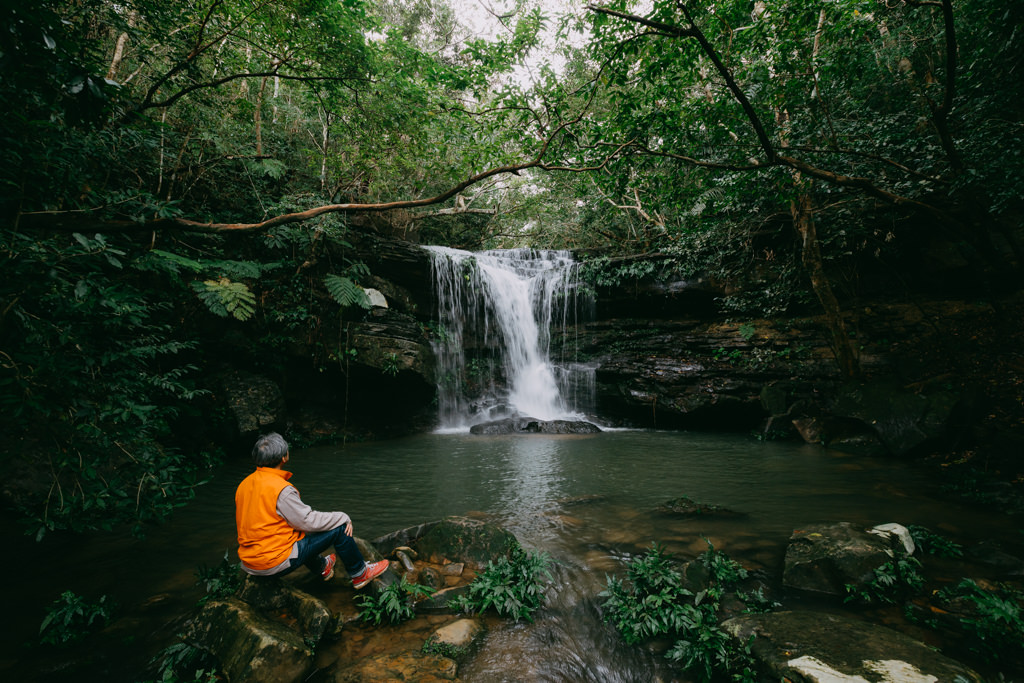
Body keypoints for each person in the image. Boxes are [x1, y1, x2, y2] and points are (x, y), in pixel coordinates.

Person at [235, 432, 388, 588]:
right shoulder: (281, 490)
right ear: (284, 457)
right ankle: (360, 573)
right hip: (272, 562)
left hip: (250, 561)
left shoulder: (244, 485)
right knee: (339, 528)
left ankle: (322, 566)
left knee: (295, 529)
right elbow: (307, 521)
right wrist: (342, 516)